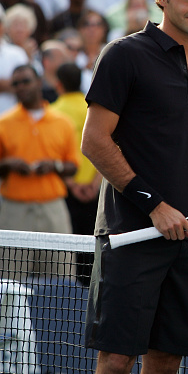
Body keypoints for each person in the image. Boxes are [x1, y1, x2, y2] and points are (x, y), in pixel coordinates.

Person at [81, 0, 188, 374]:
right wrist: (154, 206)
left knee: (167, 356)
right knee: (118, 358)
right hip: (131, 234)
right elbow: (94, 142)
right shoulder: (124, 54)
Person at [0, 63, 78, 279]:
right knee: (10, 282)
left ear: (39, 82)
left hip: (53, 209)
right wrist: (9, 164)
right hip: (14, 211)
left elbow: (73, 166)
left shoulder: (62, 121)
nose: (21, 87)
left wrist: (54, 166)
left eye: (26, 81)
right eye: (15, 84)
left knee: (61, 281)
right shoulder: (4, 123)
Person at [51, 61, 101, 285]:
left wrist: (72, 184)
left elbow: (54, 155)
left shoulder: (53, 113)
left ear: (58, 84)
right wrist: (96, 183)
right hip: (95, 190)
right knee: (93, 250)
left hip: (69, 192)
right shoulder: (93, 107)